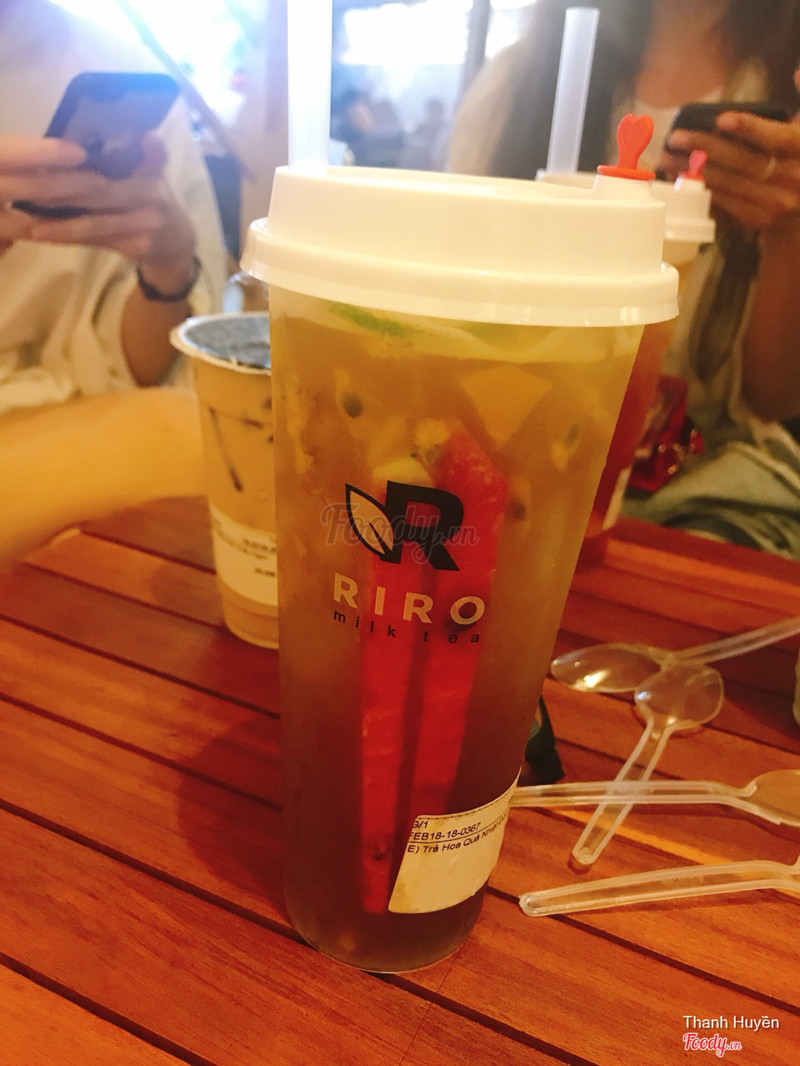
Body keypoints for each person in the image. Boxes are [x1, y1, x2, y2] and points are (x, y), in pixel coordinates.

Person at [450, 0, 800, 557]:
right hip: (512, 454)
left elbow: (774, 397)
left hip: (706, 485)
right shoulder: (520, 83)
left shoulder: (786, 86)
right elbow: (451, 305)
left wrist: (791, 227)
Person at [0, 0, 228, 564]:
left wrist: (169, 267)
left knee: (205, 444)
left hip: (60, 422)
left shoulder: (112, 63)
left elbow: (132, 371)